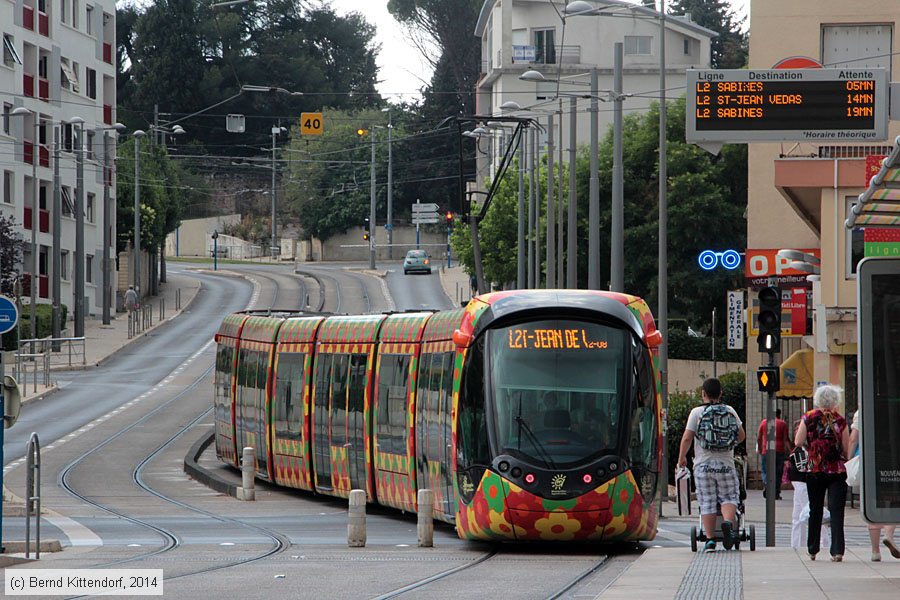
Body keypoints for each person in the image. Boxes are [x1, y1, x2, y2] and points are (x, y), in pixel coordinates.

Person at [678, 378, 746, 553]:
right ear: (721, 393)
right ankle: (729, 525)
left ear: (703, 393)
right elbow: (741, 436)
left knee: (707, 501)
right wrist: (729, 443)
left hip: (703, 465)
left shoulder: (696, 412)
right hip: (726, 464)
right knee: (729, 497)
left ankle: (709, 541)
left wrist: (681, 458)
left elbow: (687, 438)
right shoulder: (729, 410)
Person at [795, 384, 851, 562]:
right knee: (836, 510)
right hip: (836, 470)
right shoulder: (840, 421)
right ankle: (837, 551)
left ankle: (812, 549)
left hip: (814, 468)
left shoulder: (808, 417)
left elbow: (798, 441)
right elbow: (846, 449)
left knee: (815, 508)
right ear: (836, 401)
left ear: (817, 400)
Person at [849, 409, 899, 561]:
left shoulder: (863, 409)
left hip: (870, 459)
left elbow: (853, 439)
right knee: (894, 499)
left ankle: (875, 551)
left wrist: (849, 459)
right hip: (892, 457)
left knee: (872, 502)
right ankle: (889, 534)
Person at [788, 419, 831, 550]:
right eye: (796, 431)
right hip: (799, 483)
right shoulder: (800, 449)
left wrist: (814, 462)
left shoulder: (805, 449)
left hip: (803, 483)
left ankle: (825, 541)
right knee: (798, 515)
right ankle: (797, 544)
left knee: (810, 511)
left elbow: (803, 468)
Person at [757, 408, 793, 499]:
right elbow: (785, 439)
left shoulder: (764, 422)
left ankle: (767, 484)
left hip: (766, 450)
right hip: (779, 451)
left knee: (765, 470)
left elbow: (759, 437)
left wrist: (761, 449)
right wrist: (791, 451)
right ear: (779, 414)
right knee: (778, 472)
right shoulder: (783, 424)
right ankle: (776, 493)